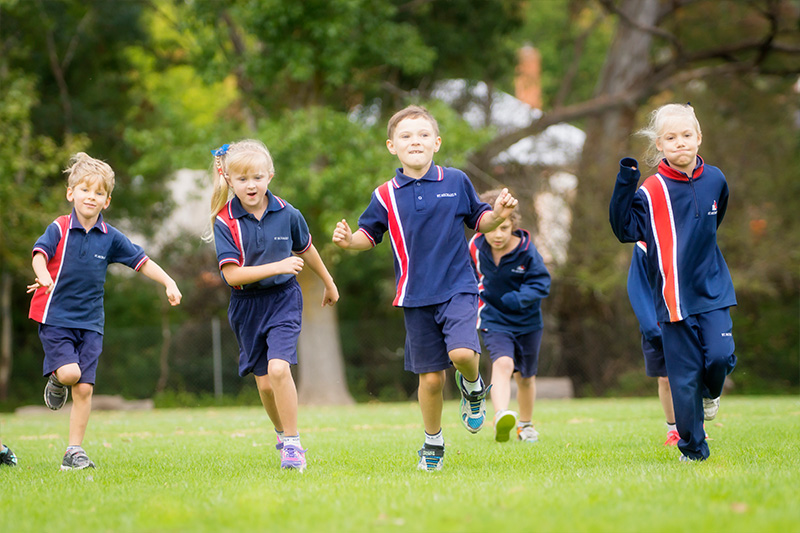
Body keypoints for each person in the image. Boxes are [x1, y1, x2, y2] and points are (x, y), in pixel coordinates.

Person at [332, 105, 518, 471]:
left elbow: (481, 220)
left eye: (422, 135)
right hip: (414, 296)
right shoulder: (384, 195)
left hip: (458, 286)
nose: (414, 140)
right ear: (391, 146)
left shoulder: (457, 181)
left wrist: (499, 214)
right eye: (405, 136)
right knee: (431, 380)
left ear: (436, 142)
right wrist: (347, 240)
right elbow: (368, 235)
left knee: (464, 354)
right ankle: (433, 442)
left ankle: (473, 387)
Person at [27, 152, 182, 471]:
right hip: (55, 317)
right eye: (85, 190)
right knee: (70, 375)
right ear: (71, 193)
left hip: (91, 323)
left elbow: (142, 261)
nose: (91, 197)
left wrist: (168, 281)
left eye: (98, 193)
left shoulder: (110, 238)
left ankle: (74, 452)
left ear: (106, 201)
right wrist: (43, 275)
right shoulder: (59, 228)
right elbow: (39, 254)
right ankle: (57, 380)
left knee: (84, 387)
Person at [609, 103, 736, 461]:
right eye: (670, 137)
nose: (680, 143)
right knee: (682, 378)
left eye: (686, 135)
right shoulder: (651, 190)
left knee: (721, 357)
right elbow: (624, 229)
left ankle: (712, 394)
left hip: (712, 289)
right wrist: (625, 181)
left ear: (699, 137)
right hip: (672, 296)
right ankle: (693, 450)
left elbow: (715, 219)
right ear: (659, 146)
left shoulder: (716, 179)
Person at [207, 139, 338, 473]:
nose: (251, 185)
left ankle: (293, 445)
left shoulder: (288, 212)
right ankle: (280, 433)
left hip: (283, 300)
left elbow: (306, 249)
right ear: (229, 181)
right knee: (265, 383)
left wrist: (328, 281)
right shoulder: (225, 221)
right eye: (242, 179)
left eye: (258, 177)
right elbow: (233, 276)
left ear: (270, 176)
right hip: (246, 306)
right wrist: (278, 265)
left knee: (280, 369)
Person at [468, 190, 551, 444]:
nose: (498, 234)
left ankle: (525, 426)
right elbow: (467, 278)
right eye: (492, 228)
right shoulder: (475, 247)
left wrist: (517, 299)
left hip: (527, 322)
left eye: (504, 228)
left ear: (513, 224)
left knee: (525, 377)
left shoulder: (527, 251)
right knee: (502, 363)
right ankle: (502, 415)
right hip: (493, 319)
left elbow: (541, 282)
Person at [627, 241, 679, 446]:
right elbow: (637, 288)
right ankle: (673, 430)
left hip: (684, 318)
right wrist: (650, 326)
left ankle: (695, 426)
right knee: (665, 379)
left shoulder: (684, 236)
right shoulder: (643, 245)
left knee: (691, 374)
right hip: (657, 324)